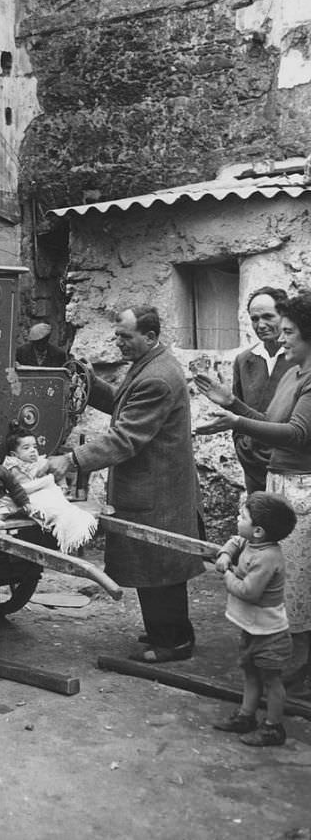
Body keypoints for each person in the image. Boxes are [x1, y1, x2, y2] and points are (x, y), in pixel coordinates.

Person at [43, 305, 204, 663]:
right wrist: (88, 381)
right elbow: (124, 404)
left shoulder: (157, 377)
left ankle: (173, 642)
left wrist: (70, 460)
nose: (118, 343)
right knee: (156, 561)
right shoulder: (152, 364)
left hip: (157, 488)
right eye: (117, 336)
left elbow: (125, 437)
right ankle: (168, 630)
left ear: (149, 336)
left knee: (159, 561)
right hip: (157, 483)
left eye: (125, 337)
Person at [195, 291, 311, 699]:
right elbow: (270, 422)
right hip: (281, 481)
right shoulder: (296, 373)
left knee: (296, 579)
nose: (282, 338)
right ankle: (283, 657)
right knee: (287, 575)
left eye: (290, 332)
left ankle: (294, 663)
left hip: (302, 487)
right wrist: (233, 408)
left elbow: (298, 435)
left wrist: (235, 419)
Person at [213, 492, 296, 747]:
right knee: (250, 673)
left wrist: (227, 575)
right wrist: (226, 554)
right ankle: (246, 716)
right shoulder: (253, 542)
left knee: (271, 680)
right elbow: (236, 541)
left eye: (242, 516)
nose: (238, 519)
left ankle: (273, 727)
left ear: (258, 530)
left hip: (270, 634)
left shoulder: (268, 558)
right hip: (251, 628)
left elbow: (249, 592)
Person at [2, 421, 97, 553]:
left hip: (46, 492)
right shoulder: (14, 466)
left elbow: (57, 475)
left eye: (34, 447)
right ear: (14, 454)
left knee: (60, 506)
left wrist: (62, 486)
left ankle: (66, 527)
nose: (32, 451)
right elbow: (18, 487)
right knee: (43, 506)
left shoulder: (41, 462)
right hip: (27, 495)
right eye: (26, 448)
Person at [231, 287, 289, 493]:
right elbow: (237, 409)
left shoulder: (301, 359)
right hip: (253, 465)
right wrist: (242, 445)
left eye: (268, 317)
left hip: (292, 465)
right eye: (254, 319)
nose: (260, 325)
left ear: (284, 316)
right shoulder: (244, 360)